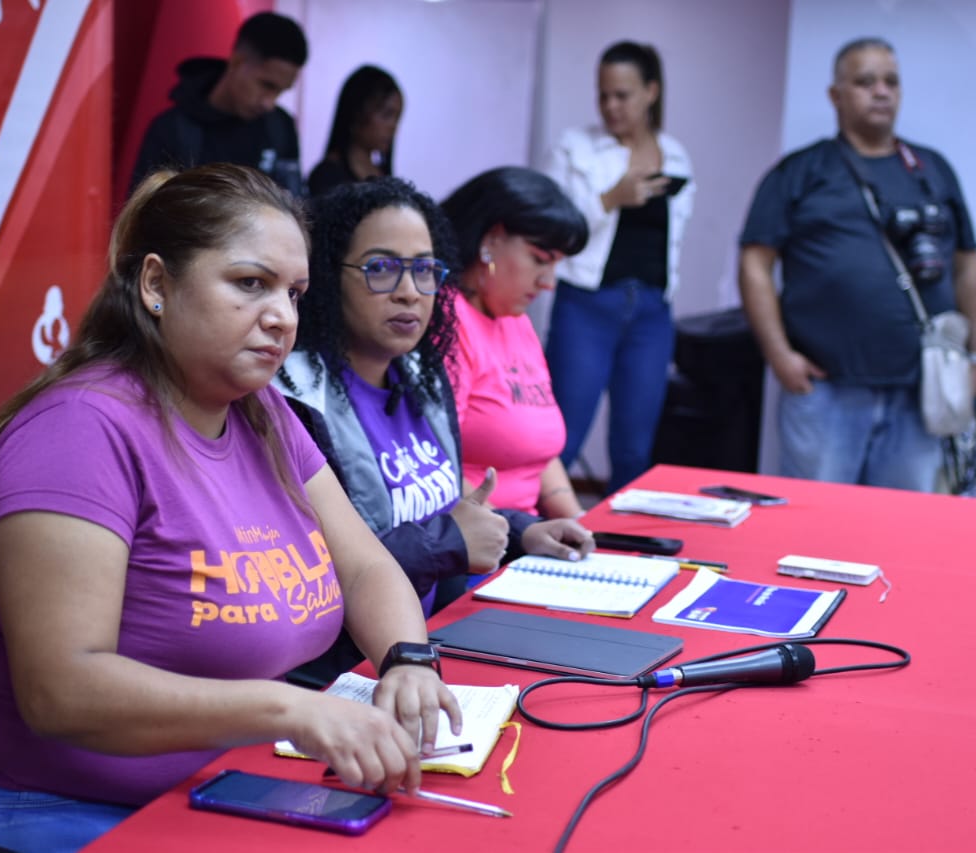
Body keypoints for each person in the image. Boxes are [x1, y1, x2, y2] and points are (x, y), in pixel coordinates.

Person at [0, 164, 461, 852]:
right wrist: (290, 709)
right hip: (35, 813)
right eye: (250, 283)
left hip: (209, 792)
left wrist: (407, 659)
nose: (282, 316)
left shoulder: (262, 412)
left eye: (294, 292)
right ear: (157, 284)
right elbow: (62, 690)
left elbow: (364, 566)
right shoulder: (75, 433)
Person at [274, 177, 594, 680]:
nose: (409, 291)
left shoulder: (422, 376)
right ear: (329, 275)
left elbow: (438, 509)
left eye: (424, 270)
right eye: (381, 269)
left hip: (427, 644)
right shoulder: (294, 397)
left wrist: (519, 530)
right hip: (341, 672)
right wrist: (447, 543)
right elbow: (309, 577)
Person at [738, 37, 976, 492]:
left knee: (904, 522)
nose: (881, 92)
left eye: (891, 81)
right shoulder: (801, 171)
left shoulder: (931, 169)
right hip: (826, 389)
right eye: (865, 82)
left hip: (922, 389)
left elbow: (968, 265)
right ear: (836, 95)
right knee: (815, 522)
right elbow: (755, 263)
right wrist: (778, 355)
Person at [544, 41, 695, 493]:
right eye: (603, 95)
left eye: (622, 95)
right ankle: (531, 529)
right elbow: (552, 226)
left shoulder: (676, 155)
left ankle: (622, 536)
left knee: (635, 448)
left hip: (651, 312)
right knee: (562, 438)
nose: (611, 106)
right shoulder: (575, 147)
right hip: (587, 305)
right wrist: (611, 198)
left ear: (651, 92)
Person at [438, 167, 589, 519]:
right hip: (478, 534)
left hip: (526, 531)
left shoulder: (516, 321)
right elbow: (434, 461)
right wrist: (520, 535)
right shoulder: (446, 322)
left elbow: (541, 450)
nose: (548, 282)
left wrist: (579, 521)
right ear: (491, 240)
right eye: (540, 260)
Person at [130, 12, 308, 195]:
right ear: (237, 61)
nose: (269, 103)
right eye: (266, 85)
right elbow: (142, 208)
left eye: (280, 91)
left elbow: (294, 202)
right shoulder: (172, 130)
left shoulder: (281, 127)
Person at [307, 65, 403, 198]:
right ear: (357, 112)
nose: (393, 126)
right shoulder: (327, 175)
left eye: (397, 118)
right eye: (386, 115)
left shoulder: (384, 177)